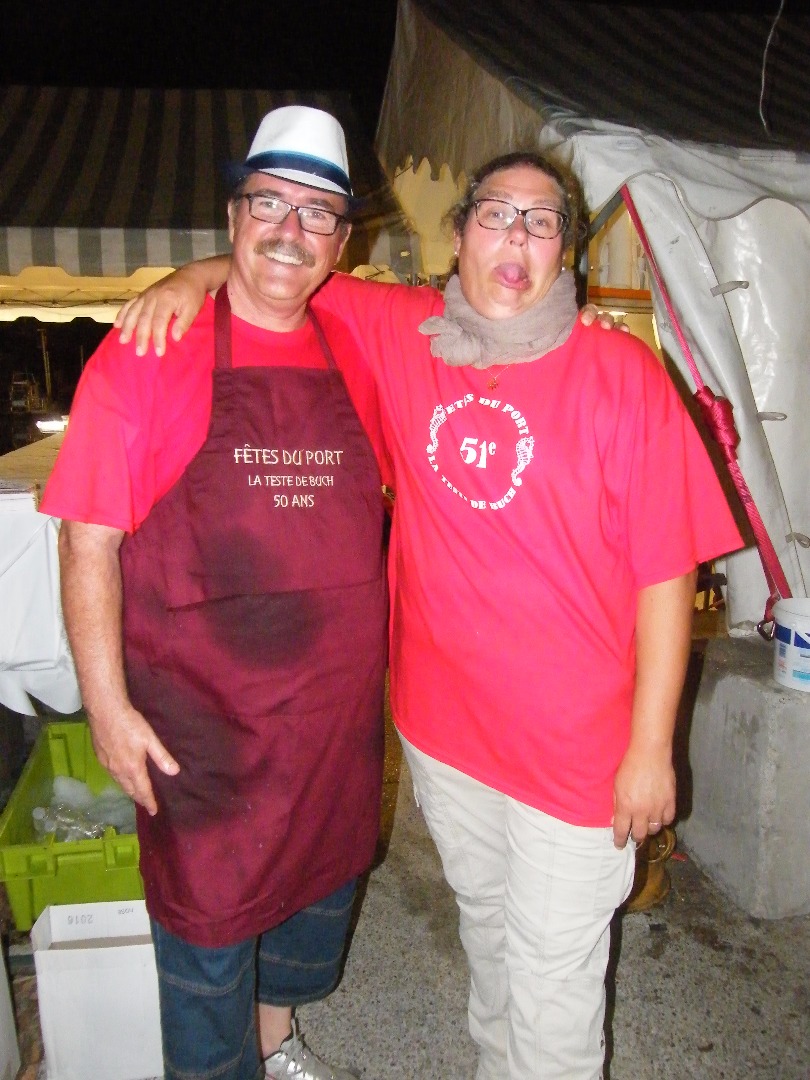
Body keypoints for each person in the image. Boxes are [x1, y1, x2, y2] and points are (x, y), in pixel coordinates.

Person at [116, 149, 743, 1079]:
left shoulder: (620, 373)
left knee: (554, 978)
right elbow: (285, 265)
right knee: (488, 934)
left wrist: (652, 748)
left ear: (564, 251)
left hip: (577, 750)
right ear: (459, 235)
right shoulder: (406, 331)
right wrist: (186, 279)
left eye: (541, 222)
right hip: (446, 737)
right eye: (496, 215)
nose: (516, 238)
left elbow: (665, 575)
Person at [40, 106, 393, 1080]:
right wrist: (107, 707)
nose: (290, 230)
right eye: (268, 203)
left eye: (317, 213)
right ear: (233, 216)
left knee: (314, 904)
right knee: (206, 946)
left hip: (331, 727)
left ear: (343, 243)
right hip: (205, 734)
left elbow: (497, 314)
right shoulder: (150, 350)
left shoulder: (361, 338)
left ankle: (275, 1047)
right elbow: (86, 542)